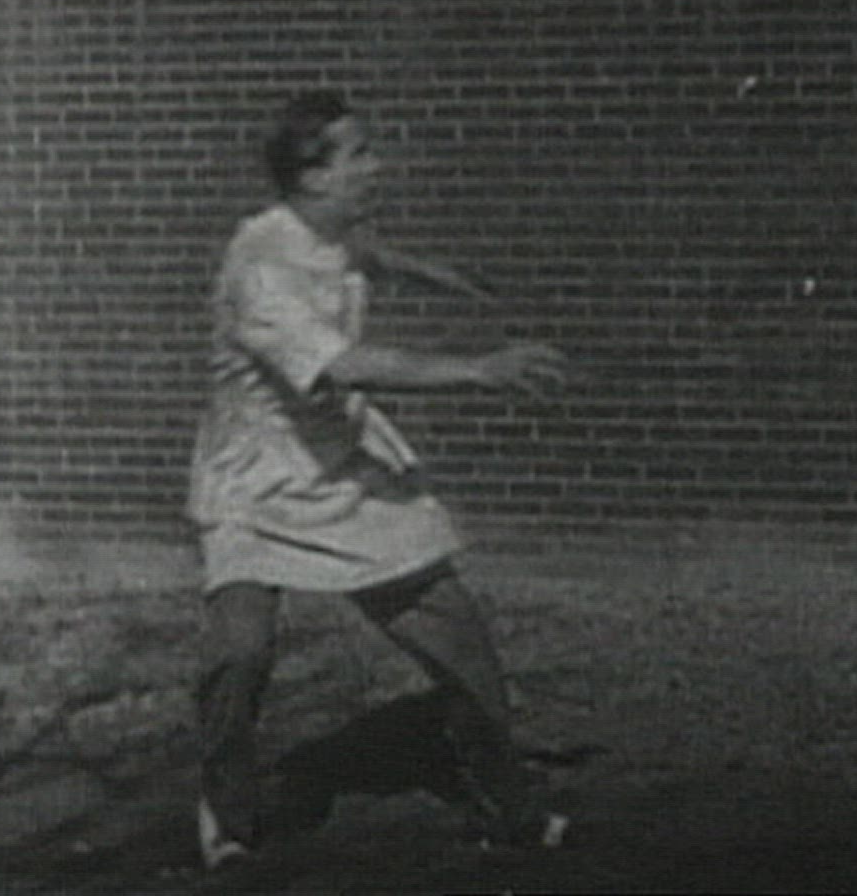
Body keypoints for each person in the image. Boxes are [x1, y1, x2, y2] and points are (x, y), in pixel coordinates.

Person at [186, 90, 570, 871]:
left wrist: (441, 277)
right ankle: (226, 815)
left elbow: (363, 255)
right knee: (241, 655)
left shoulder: (324, 228)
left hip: (344, 473)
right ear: (312, 175)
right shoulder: (259, 268)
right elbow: (350, 364)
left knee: (459, 639)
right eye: (358, 153)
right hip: (253, 485)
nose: (377, 165)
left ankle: (511, 808)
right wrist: (479, 369)